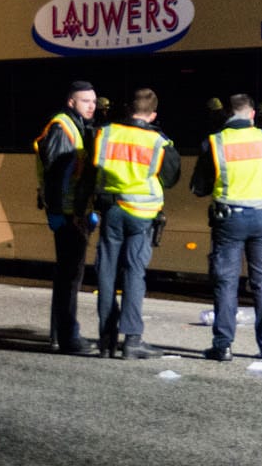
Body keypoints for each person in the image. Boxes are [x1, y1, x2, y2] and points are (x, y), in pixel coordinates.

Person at [91, 87, 181, 359]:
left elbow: (92, 170)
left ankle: (107, 339)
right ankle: (132, 340)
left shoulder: (106, 133)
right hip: (142, 215)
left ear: (128, 109)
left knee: (106, 273)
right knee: (134, 274)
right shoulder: (158, 142)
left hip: (112, 210)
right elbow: (171, 177)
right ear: (152, 115)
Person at [190, 93, 262, 361]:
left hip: (229, 219)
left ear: (228, 114)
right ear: (252, 113)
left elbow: (199, 187)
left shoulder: (216, 142)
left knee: (226, 282)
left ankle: (223, 345)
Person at [33, 80, 99, 356]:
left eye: (93, 101)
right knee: (69, 277)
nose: (92, 106)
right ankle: (68, 337)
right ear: (71, 102)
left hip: (75, 213)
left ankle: (60, 335)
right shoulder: (63, 127)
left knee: (68, 275)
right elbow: (56, 175)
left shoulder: (76, 126)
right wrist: (59, 214)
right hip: (70, 215)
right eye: (86, 101)